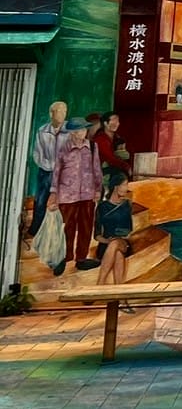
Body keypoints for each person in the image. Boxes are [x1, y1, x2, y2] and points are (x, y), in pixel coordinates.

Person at [47, 117, 102, 275]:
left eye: (84, 129)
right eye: (79, 130)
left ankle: (81, 259)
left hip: (87, 194)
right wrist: (54, 193)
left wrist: (98, 189)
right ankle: (64, 258)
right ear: (71, 132)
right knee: (66, 228)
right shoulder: (63, 148)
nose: (83, 132)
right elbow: (56, 172)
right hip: (67, 195)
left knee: (85, 227)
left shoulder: (92, 146)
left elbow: (96, 169)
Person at [29, 100, 67, 237]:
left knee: (62, 201)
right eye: (59, 111)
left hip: (64, 173)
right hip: (46, 171)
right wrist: (51, 166)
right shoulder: (42, 130)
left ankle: (57, 232)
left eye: (64, 111)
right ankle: (36, 229)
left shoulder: (69, 130)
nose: (63, 114)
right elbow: (37, 154)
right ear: (51, 113)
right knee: (40, 201)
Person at [95, 173, 135, 287]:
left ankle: (100, 283)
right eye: (125, 185)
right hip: (105, 245)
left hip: (123, 243)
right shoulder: (102, 207)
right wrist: (108, 241)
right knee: (117, 254)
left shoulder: (126, 205)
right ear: (116, 187)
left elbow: (129, 230)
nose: (127, 188)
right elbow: (97, 235)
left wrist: (117, 237)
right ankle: (119, 293)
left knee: (116, 244)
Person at [94, 114, 131, 179]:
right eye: (114, 121)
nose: (117, 124)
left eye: (117, 121)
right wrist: (126, 166)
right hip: (101, 171)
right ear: (105, 123)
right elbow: (109, 157)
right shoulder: (100, 139)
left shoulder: (116, 137)